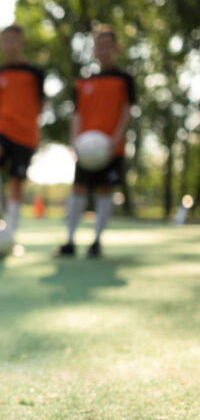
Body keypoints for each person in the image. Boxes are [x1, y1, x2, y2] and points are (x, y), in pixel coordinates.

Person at [56, 25, 135, 258]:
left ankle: (97, 241)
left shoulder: (125, 79)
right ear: (94, 51)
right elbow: (77, 114)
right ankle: (69, 241)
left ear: (116, 48)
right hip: (86, 148)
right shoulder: (83, 82)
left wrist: (115, 141)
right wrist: (75, 142)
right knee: (78, 189)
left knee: (104, 189)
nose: (103, 50)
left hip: (110, 148)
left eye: (107, 45)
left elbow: (126, 111)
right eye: (99, 46)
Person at [0, 24, 45, 242]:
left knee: (16, 182)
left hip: (25, 134)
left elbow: (41, 104)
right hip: (1, 129)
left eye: (13, 40)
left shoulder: (34, 73)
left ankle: (11, 232)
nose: (9, 45)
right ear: (0, 44)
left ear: (22, 42)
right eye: (5, 40)